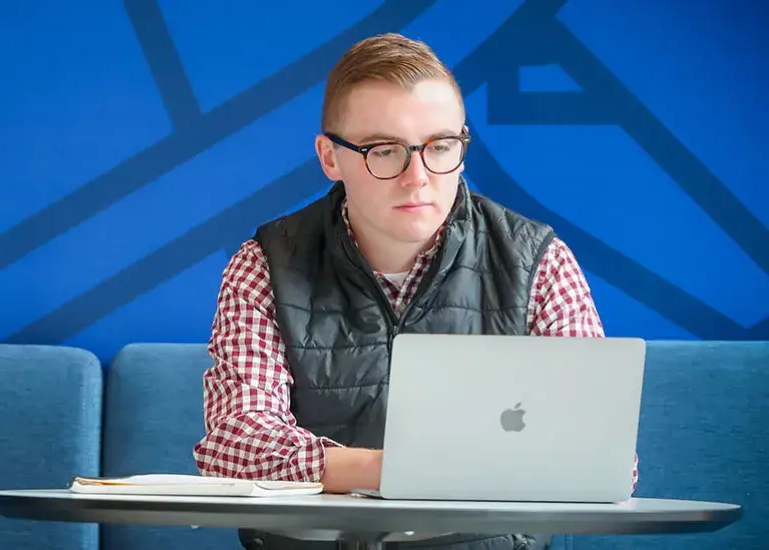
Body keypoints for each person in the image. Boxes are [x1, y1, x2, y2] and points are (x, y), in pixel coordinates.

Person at [192, 32, 638, 550]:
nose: (417, 178)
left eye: (440, 147)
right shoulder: (265, 265)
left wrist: (379, 473)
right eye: (385, 151)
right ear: (330, 157)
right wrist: (399, 472)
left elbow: (605, 461)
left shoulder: (538, 261)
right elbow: (234, 445)